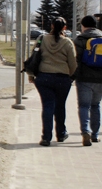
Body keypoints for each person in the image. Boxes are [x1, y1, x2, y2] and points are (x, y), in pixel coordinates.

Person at [30, 17, 77, 146]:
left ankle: (46, 137)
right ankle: (61, 134)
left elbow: (33, 56)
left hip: (44, 77)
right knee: (60, 106)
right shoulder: (68, 43)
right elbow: (73, 63)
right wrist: (70, 76)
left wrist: (31, 75)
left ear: (51, 26)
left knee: (47, 106)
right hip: (62, 78)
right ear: (64, 28)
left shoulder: (42, 39)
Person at [73, 15, 102, 146]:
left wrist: (74, 76)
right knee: (96, 105)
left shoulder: (80, 39)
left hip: (84, 78)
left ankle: (86, 132)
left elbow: (76, 60)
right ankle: (95, 135)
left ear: (83, 26)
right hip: (100, 79)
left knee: (84, 106)